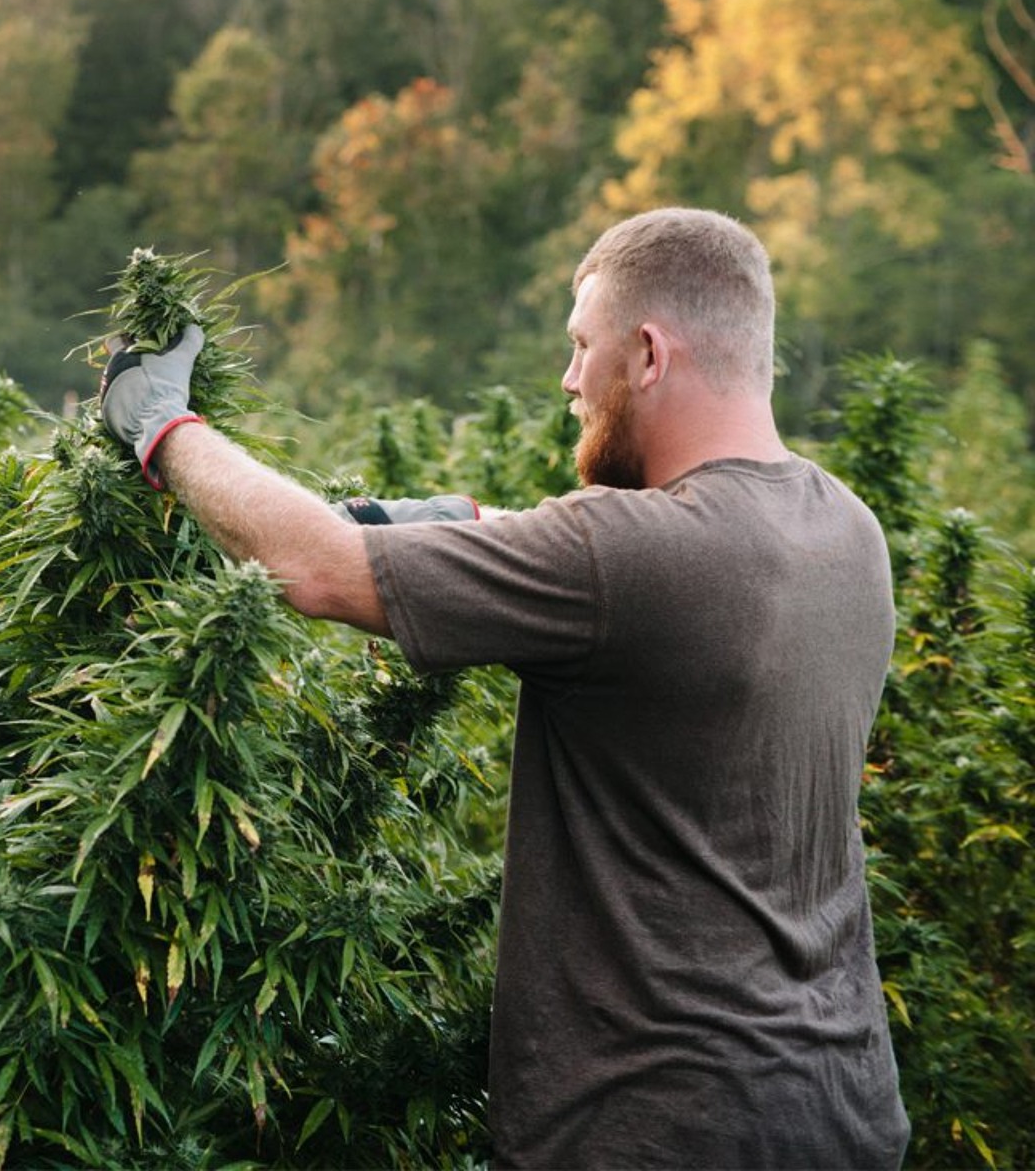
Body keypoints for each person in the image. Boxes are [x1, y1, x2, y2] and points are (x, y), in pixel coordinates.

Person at [99, 208, 909, 1167]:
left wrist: (163, 427)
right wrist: (451, 525)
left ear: (648, 354)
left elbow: (314, 569)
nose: (568, 380)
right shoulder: (844, 532)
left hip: (659, 1127)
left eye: (580, 347)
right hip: (840, 1109)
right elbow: (617, 564)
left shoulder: (628, 558)